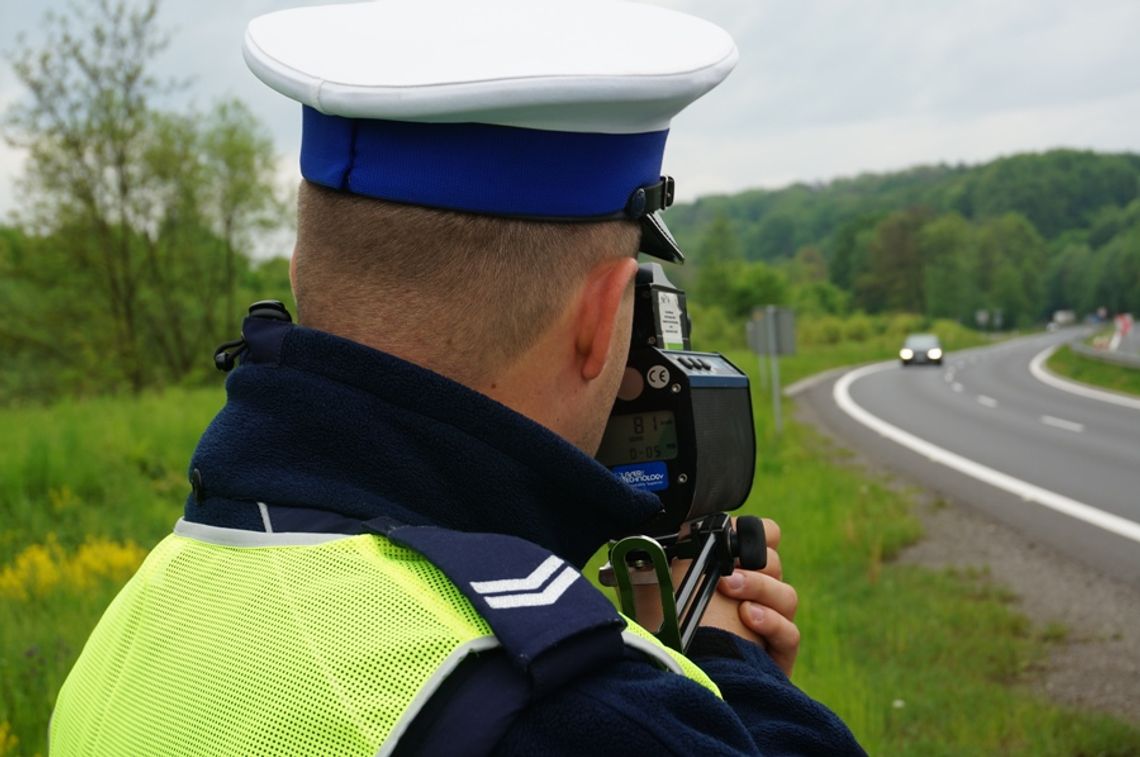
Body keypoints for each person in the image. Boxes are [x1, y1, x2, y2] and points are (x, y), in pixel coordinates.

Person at [50, 1, 864, 754]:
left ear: (301, 272)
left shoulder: (148, 611)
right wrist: (729, 663)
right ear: (602, 316)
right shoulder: (557, 707)